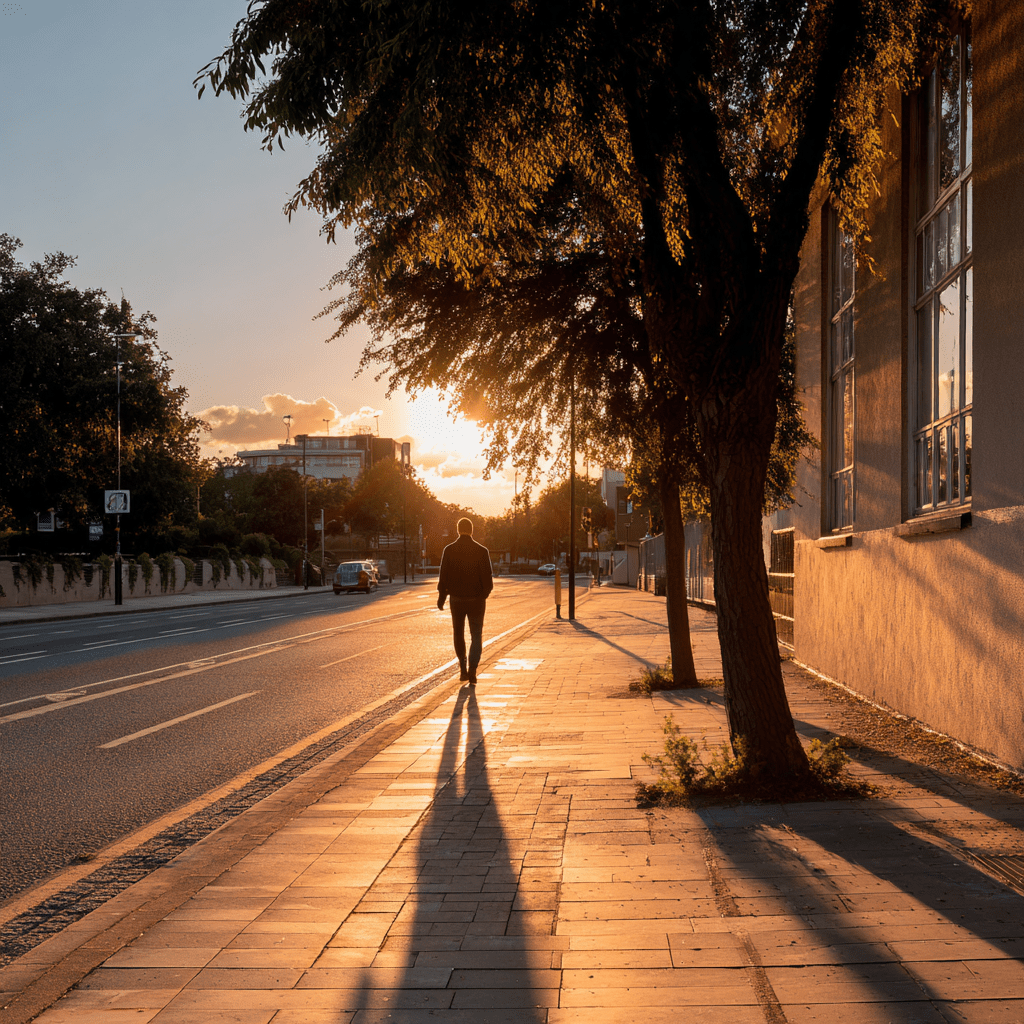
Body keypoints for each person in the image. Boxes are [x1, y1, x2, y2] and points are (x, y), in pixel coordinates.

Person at [437, 517, 493, 685]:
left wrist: (442, 597)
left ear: (457, 529)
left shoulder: (449, 550)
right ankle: (473, 670)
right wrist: (484, 594)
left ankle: (462, 668)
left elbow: (443, 576)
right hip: (476, 599)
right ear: (472, 530)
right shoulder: (482, 551)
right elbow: (488, 578)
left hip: (456, 599)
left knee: (458, 633)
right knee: (476, 635)